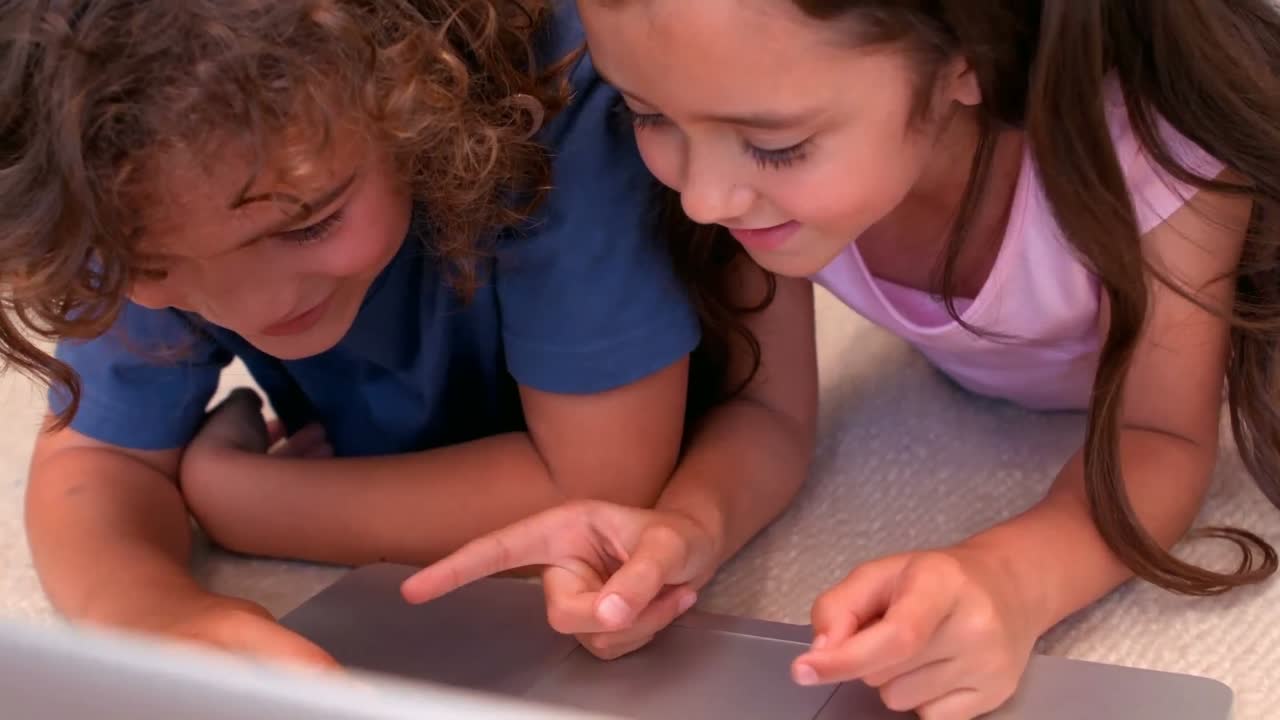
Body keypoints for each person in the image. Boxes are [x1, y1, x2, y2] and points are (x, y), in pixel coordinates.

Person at [402, 1, 1280, 718]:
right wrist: (687, 529)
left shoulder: (1163, 154)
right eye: (646, 114)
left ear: (968, 59)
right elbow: (769, 412)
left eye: (777, 144)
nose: (704, 197)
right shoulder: (751, 152)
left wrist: (1010, 581)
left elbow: (1160, 435)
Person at [1, 0, 710, 669]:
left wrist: (244, 504)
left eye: (308, 223)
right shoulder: (115, 154)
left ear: (420, 87)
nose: (253, 305)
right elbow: (92, 468)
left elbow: (600, 491)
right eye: (152, 264)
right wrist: (155, 616)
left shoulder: (553, 88)